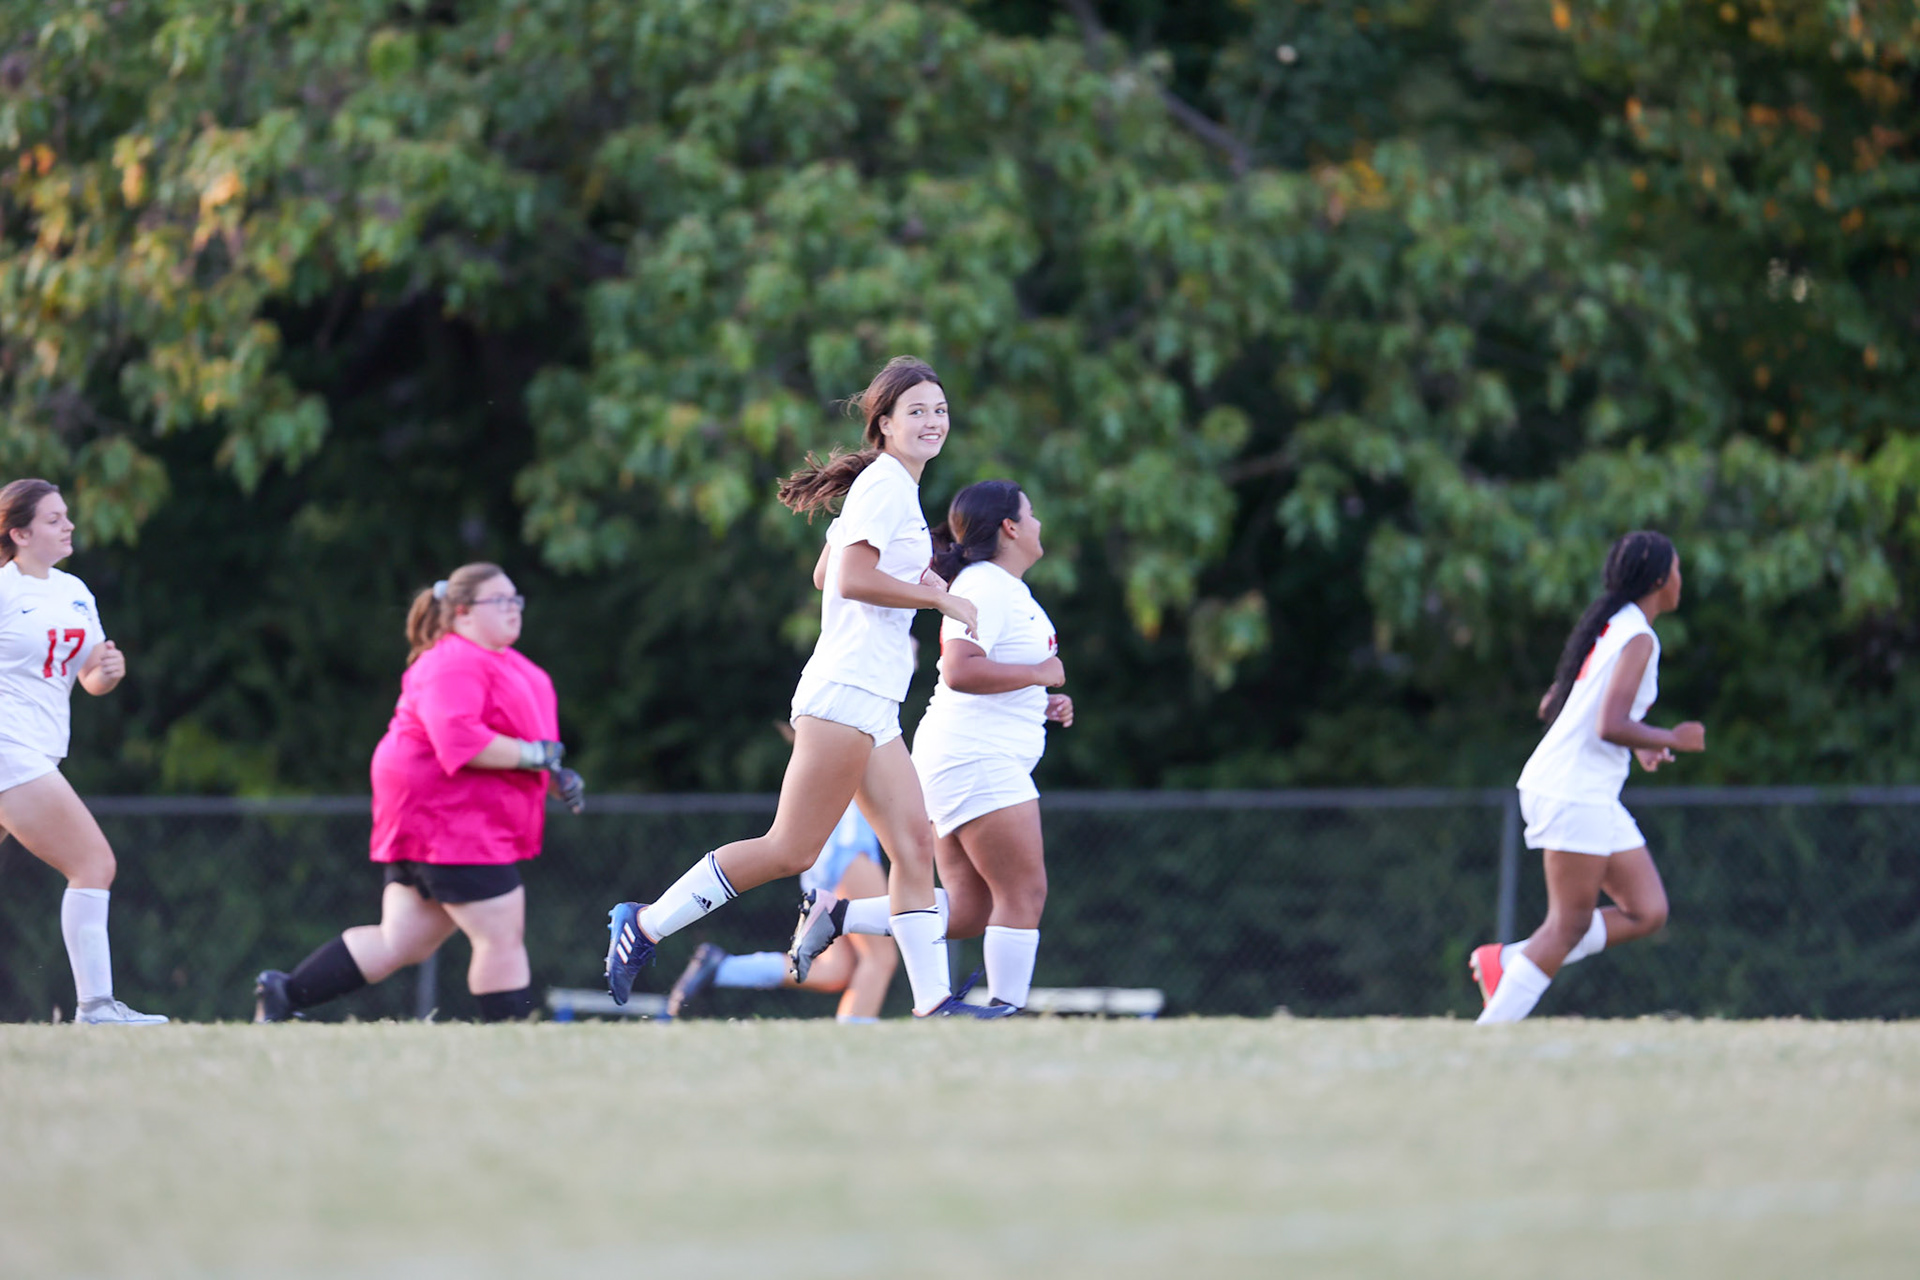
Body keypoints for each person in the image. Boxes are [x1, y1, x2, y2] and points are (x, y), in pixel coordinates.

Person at [603, 355, 1008, 1019]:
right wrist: (939, 603)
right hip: (845, 692)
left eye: (939, 409)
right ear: (883, 424)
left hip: (872, 702)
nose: (934, 421)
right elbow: (849, 580)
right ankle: (644, 924)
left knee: (912, 845)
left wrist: (925, 586)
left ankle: (934, 1001)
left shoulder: (888, 487)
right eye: (918, 411)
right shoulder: (885, 484)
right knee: (791, 848)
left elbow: (827, 572)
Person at [254, 562, 583, 1023]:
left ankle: (284, 994)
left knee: (401, 940)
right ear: (463, 612)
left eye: (516, 599)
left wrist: (553, 778)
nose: (513, 608)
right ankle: (513, 1039)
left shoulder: (516, 668)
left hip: (446, 822)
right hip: (449, 822)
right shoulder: (453, 660)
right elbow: (459, 739)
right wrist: (534, 757)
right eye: (499, 600)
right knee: (500, 936)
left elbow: (530, 746)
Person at [789, 480, 1070, 1011]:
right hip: (976, 756)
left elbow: (995, 670)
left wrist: (1041, 698)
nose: (1037, 523)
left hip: (970, 753)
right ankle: (1003, 1012)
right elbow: (960, 670)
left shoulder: (1005, 587)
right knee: (1024, 893)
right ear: (1010, 527)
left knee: (968, 911)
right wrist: (1040, 672)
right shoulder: (986, 585)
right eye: (1030, 514)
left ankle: (838, 914)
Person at [1471, 531, 1705, 1024]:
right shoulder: (1638, 636)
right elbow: (1608, 723)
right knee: (1570, 923)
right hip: (1573, 791)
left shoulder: (1615, 625)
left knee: (1648, 910)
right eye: (1678, 570)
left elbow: (1575, 710)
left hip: (1580, 788)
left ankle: (1510, 961)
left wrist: (1645, 745)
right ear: (1660, 579)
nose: (1683, 580)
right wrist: (1674, 737)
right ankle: (1488, 1035)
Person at [0, 478, 166, 1025]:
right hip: (8, 745)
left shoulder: (74, 591)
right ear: (19, 533)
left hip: (38, 749)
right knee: (93, 862)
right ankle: (96, 1008)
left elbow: (91, 674)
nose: (68, 525)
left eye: (66, 515)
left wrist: (106, 673)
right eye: (53, 520)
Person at [666, 802, 897, 1023]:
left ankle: (721, 969)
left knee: (835, 971)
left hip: (828, 849)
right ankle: (853, 1043)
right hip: (848, 845)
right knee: (879, 957)